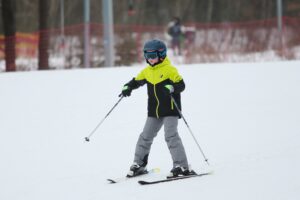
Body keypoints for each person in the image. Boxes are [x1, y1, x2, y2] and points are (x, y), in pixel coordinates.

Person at [121, 39, 196, 178]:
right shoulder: (147, 71)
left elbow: (181, 85)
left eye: (153, 56)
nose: (150, 59)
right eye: (147, 56)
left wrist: (172, 87)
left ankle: (181, 166)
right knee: (145, 137)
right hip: (154, 111)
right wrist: (128, 87)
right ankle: (139, 165)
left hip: (170, 110)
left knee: (170, 136)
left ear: (161, 55)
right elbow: (136, 81)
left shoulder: (169, 70)